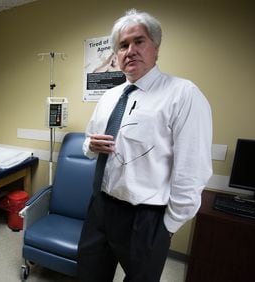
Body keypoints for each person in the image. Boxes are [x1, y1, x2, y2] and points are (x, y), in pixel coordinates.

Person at [77, 9, 212, 282]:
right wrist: (91, 145)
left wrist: (168, 226)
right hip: (101, 207)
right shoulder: (109, 97)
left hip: (146, 217)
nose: (130, 51)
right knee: (89, 275)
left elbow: (192, 170)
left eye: (139, 41)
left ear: (156, 48)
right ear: (116, 55)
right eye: (123, 45)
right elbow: (87, 144)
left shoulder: (183, 95)